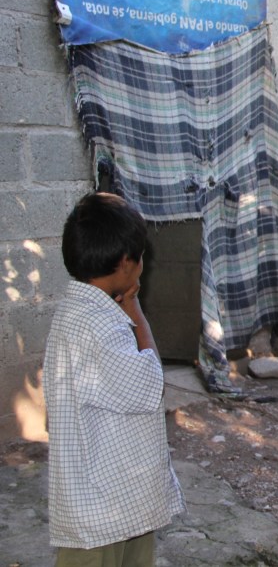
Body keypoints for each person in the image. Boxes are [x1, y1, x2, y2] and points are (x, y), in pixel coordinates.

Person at [43, 192, 185, 566]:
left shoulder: (78, 311)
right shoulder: (101, 324)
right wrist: (135, 307)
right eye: (140, 258)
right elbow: (150, 383)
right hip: (101, 508)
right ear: (125, 263)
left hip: (115, 498)